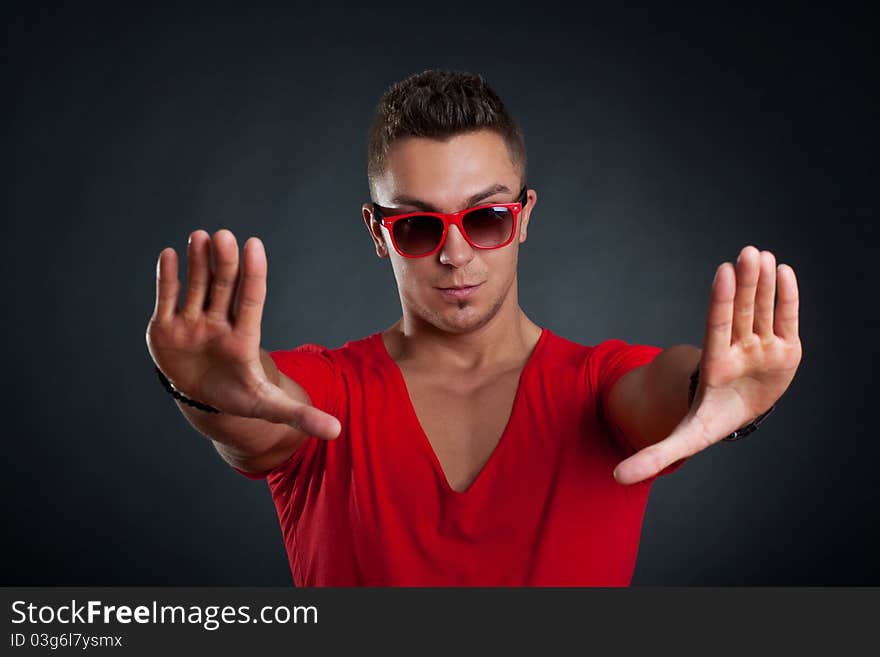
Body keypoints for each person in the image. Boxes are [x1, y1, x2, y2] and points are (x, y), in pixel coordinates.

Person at [145, 69, 802, 586]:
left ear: (523, 215)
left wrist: (715, 392)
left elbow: (662, 390)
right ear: (379, 233)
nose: (455, 253)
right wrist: (206, 393)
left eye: (484, 217)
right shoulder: (332, 391)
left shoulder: (598, 384)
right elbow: (262, 410)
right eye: (419, 225)